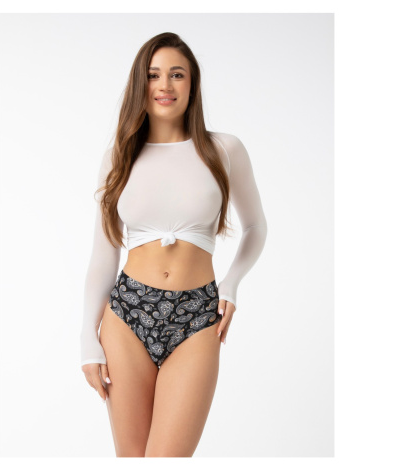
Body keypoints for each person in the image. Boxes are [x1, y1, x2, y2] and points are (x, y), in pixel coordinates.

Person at [79, 32, 267, 457]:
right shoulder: (119, 157)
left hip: (198, 316)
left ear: (192, 84)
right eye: (154, 75)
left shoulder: (224, 150)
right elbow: (104, 254)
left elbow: (256, 227)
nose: (165, 85)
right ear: (140, 84)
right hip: (127, 314)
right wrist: (87, 338)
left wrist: (232, 284)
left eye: (177, 75)